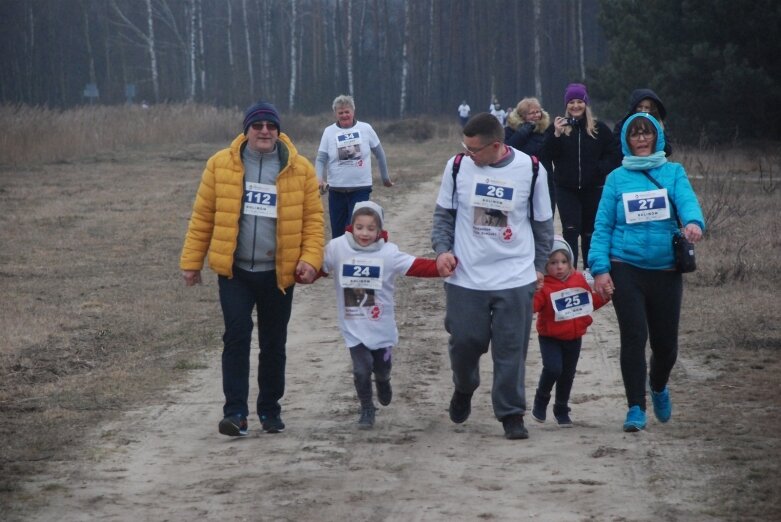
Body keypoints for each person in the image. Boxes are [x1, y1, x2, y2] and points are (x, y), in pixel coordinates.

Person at [180, 101, 324, 437]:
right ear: (246, 130)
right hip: (236, 273)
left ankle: (270, 410)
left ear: (278, 131)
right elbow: (203, 216)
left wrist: (310, 259)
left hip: (278, 274)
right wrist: (191, 262)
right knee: (236, 337)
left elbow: (314, 221)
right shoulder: (220, 165)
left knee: (273, 343)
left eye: (270, 126)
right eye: (257, 125)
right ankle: (236, 413)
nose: (264, 131)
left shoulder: (300, 169)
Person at [431, 112, 554, 440]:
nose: (468, 155)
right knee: (465, 342)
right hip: (466, 278)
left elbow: (543, 224)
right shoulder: (457, 167)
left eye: (474, 150)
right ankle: (465, 386)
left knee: (510, 348)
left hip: (514, 275)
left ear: (497, 145)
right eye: (465, 148)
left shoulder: (530, 169)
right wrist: (443, 249)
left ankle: (511, 413)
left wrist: (539, 267)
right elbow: (443, 215)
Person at [588, 112, 705, 433]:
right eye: (635, 134)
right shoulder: (615, 179)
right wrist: (600, 268)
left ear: (656, 138)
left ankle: (657, 385)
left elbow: (688, 203)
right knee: (634, 337)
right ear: (626, 140)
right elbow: (602, 227)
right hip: (626, 268)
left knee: (666, 346)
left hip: (666, 269)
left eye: (646, 133)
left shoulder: (673, 172)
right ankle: (635, 407)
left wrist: (694, 223)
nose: (641, 139)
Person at [319, 201, 441, 429]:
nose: (364, 233)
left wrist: (444, 267)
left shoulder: (389, 253)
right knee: (361, 368)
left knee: (381, 368)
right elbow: (318, 267)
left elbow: (417, 266)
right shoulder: (337, 248)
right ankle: (367, 407)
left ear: (380, 230)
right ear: (351, 227)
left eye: (371, 228)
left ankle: (384, 380)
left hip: (381, 325)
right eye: (359, 227)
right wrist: (302, 273)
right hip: (354, 326)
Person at [531, 235, 610, 427]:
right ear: (544, 265)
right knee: (553, 368)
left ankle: (561, 409)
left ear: (570, 262)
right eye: (553, 263)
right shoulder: (544, 286)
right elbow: (532, 307)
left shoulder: (579, 280)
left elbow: (588, 303)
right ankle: (541, 400)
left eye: (564, 262)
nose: (559, 267)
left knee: (567, 374)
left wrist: (605, 297)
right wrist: (532, 291)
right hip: (550, 337)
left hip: (574, 338)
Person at [542, 83, 620, 270]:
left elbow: (615, 154)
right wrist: (556, 135)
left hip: (593, 189)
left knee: (589, 233)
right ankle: (569, 274)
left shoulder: (599, 129)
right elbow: (545, 155)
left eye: (579, 101)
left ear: (586, 104)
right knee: (570, 231)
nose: (575, 106)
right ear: (566, 105)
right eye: (571, 102)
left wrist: (600, 169)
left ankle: (589, 271)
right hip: (565, 188)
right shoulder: (557, 127)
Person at [316, 95, 393, 239]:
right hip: (336, 190)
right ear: (335, 114)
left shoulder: (365, 128)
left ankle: (355, 259)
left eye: (347, 111)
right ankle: (339, 261)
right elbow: (321, 159)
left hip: (360, 189)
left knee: (353, 230)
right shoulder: (329, 132)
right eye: (340, 112)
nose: (344, 115)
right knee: (338, 233)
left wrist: (385, 178)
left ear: (353, 111)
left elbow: (379, 154)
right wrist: (318, 178)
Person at [504, 97, 555, 214]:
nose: (536, 115)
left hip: (543, 178)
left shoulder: (546, 131)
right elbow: (507, 149)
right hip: (518, 178)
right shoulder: (510, 131)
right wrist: (524, 132)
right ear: (522, 116)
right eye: (532, 113)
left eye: (538, 112)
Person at [612, 88, 672, 157]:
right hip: (628, 163)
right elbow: (615, 149)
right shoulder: (622, 125)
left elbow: (667, 151)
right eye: (640, 107)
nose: (643, 110)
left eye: (646, 107)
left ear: (651, 109)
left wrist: (661, 132)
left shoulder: (659, 125)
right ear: (634, 107)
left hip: (653, 164)